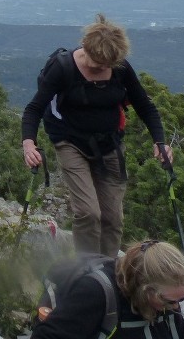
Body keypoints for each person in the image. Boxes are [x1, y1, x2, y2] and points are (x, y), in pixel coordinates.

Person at [22, 14, 172, 256]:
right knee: (89, 213)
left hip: (110, 144)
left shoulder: (120, 67)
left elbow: (145, 106)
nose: (100, 68)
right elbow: (34, 108)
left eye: (106, 65)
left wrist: (160, 142)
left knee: (112, 217)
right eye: (96, 62)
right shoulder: (63, 68)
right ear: (85, 46)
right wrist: (29, 144)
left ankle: (109, 268)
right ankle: (87, 269)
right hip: (70, 142)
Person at [31, 240, 184, 338]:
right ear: (145, 289)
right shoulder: (95, 293)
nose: (175, 307)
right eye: (170, 301)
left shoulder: (166, 300)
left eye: (183, 299)